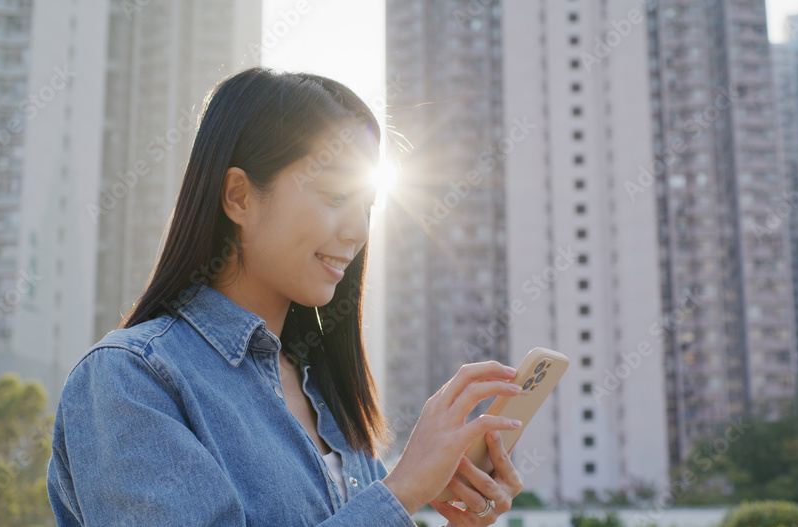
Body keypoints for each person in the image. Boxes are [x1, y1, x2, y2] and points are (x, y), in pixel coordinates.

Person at [46, 67, 524, 526]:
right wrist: (402, 491)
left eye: (368, 205)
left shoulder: (327, 393)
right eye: (336, 195)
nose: (358, 231)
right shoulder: (129, 378)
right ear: (238, 196)